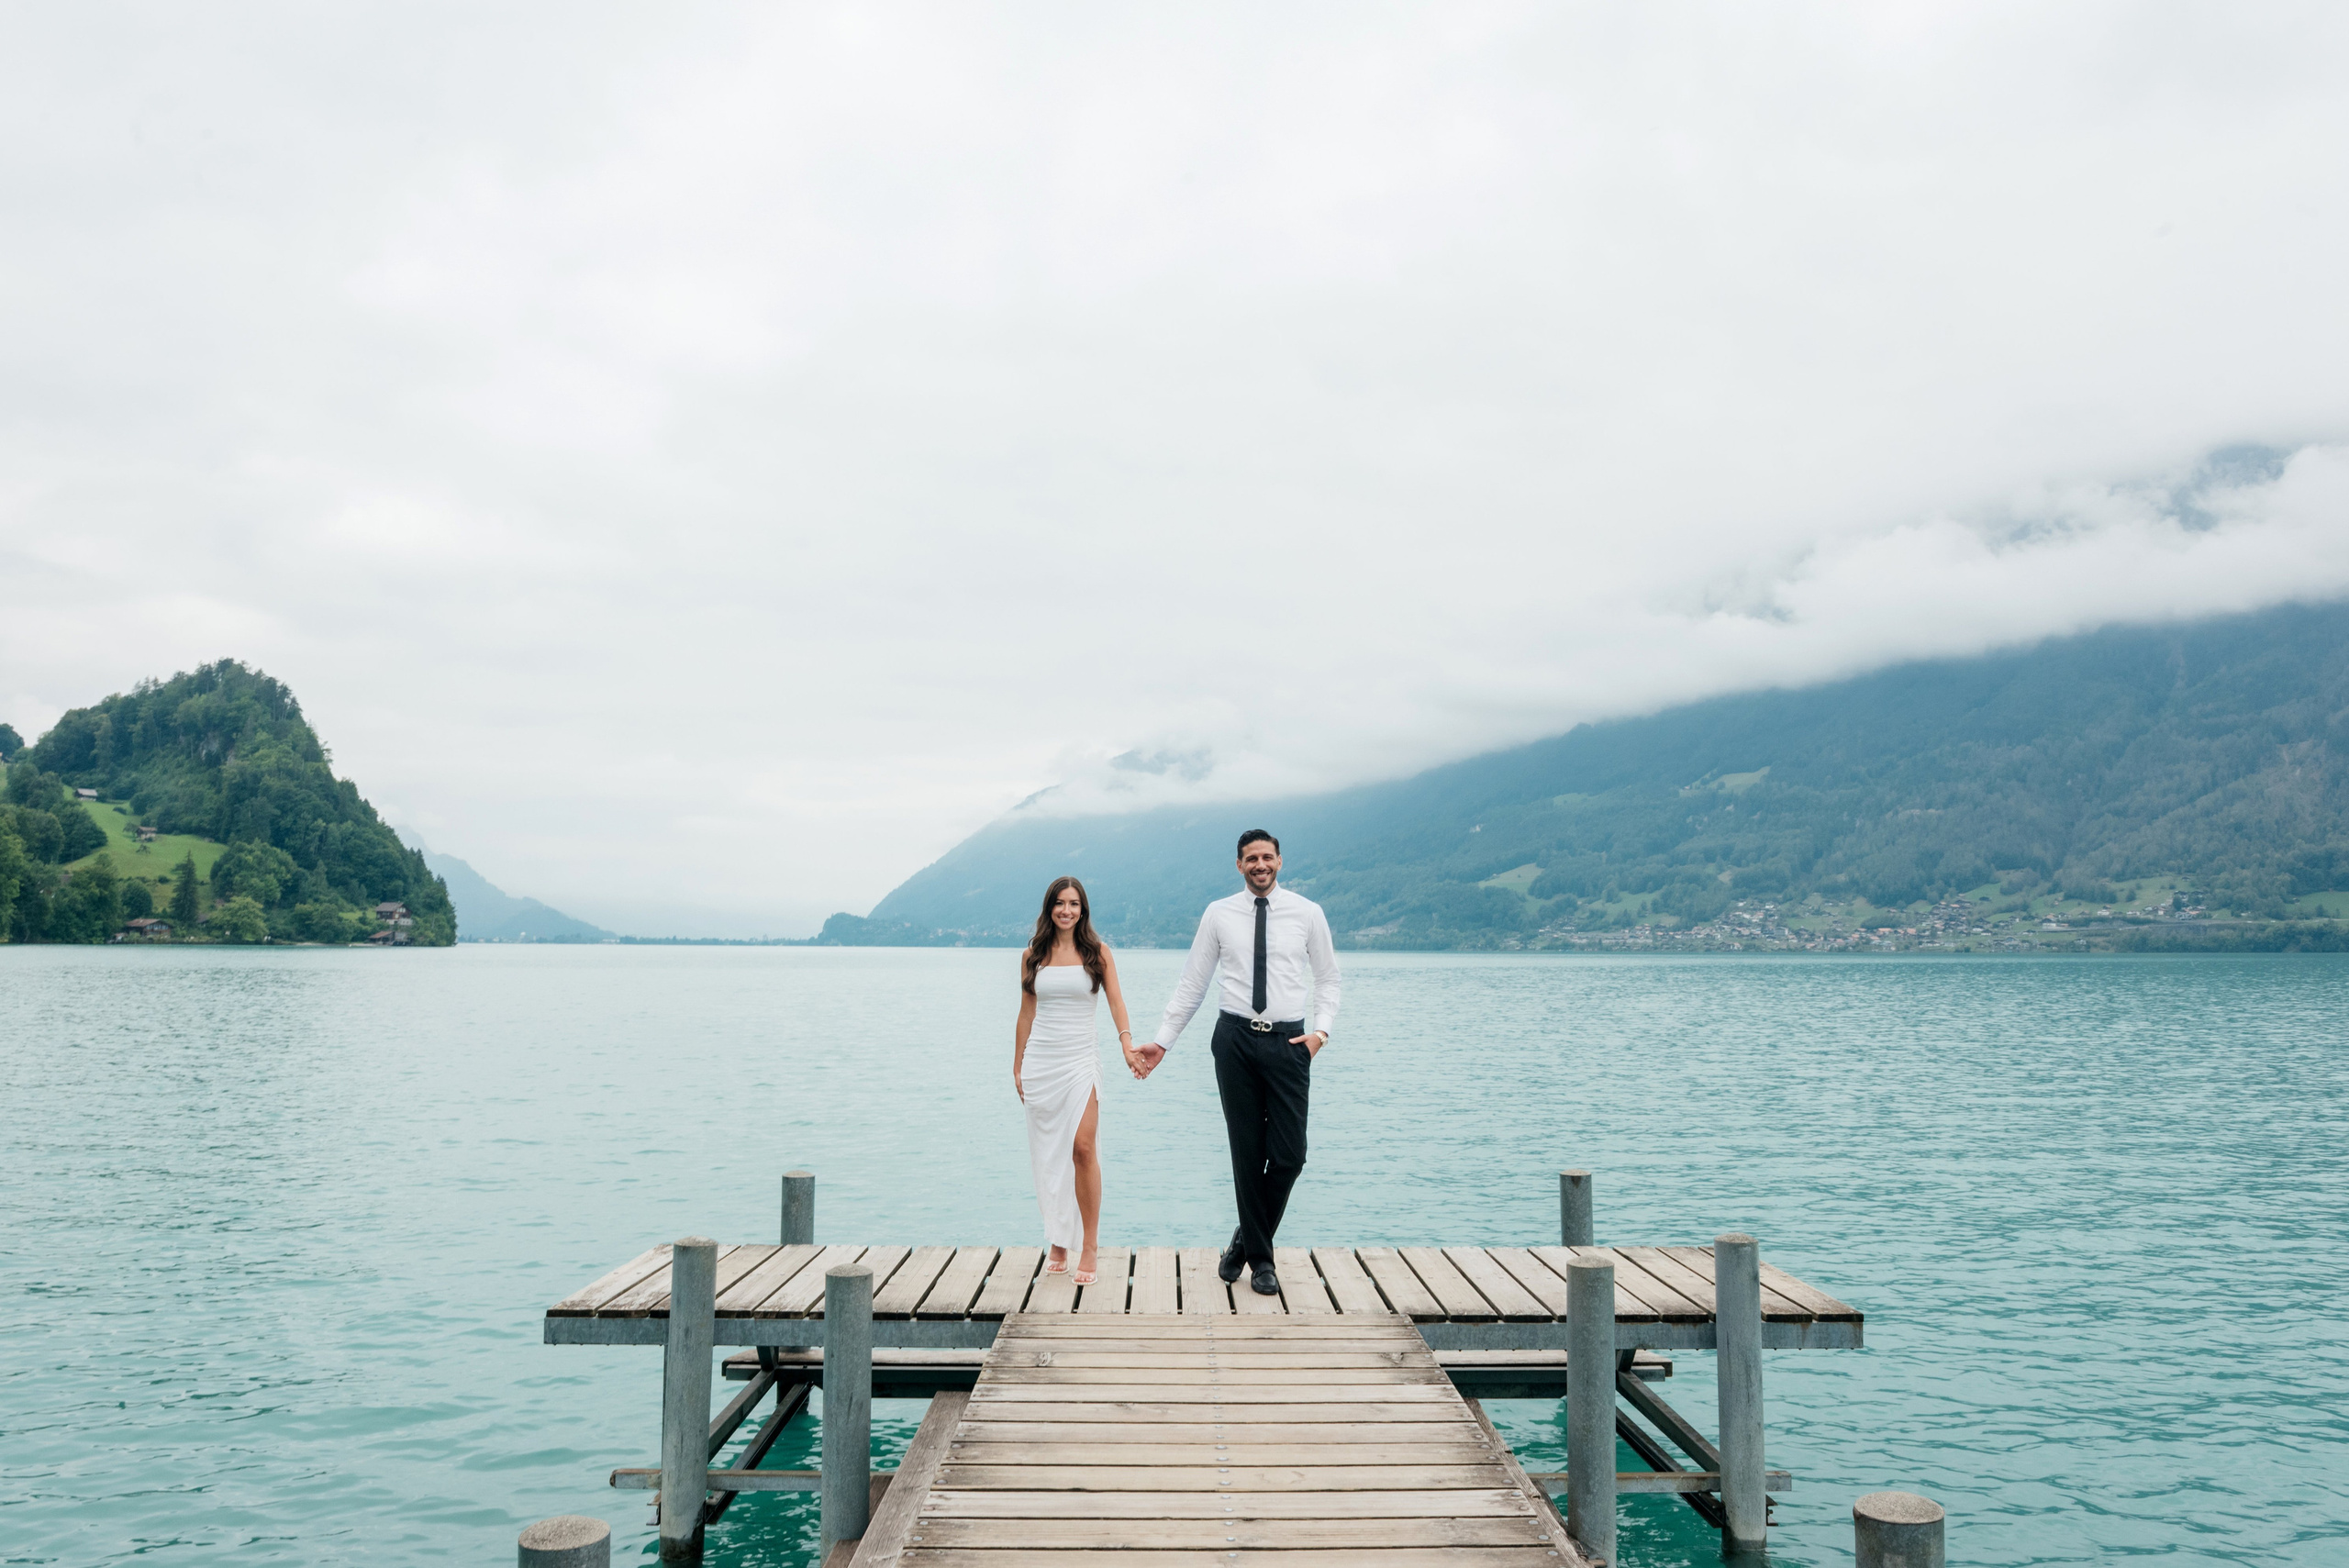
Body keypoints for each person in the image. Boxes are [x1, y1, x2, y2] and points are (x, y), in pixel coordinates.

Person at [1130, 829, 1339, 1296]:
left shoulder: (1308, 914)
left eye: (1267, 857)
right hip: (1234, 1041)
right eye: (1250, 858)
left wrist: (1320, 1033)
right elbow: (1192, 983)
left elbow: (1328, 979)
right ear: (1239, 865)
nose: (1259, 864)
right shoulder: (1218, 914)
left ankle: (1244, 1241)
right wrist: (1163, 1042)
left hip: (1290, 1043)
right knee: (1246, 1153)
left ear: (1280, 862)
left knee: (1289, 1155)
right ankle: (1263, 1262)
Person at [1015, 875, 1143, 1285]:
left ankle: (1088, 1243)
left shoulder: (1097, 952)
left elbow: (1117, 1000)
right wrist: (1017, 1065)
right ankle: (1057, 1238)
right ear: (1049, 907)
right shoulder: (1033, 954)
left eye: (1074, 904)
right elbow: (1026, 1012)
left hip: (1081, 1060)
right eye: (1059, 903)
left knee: (1082, 1148)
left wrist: (1127, 1045)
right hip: (1041, 1063)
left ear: (1083, 909)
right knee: (1050, 1154)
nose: (1066, 910)